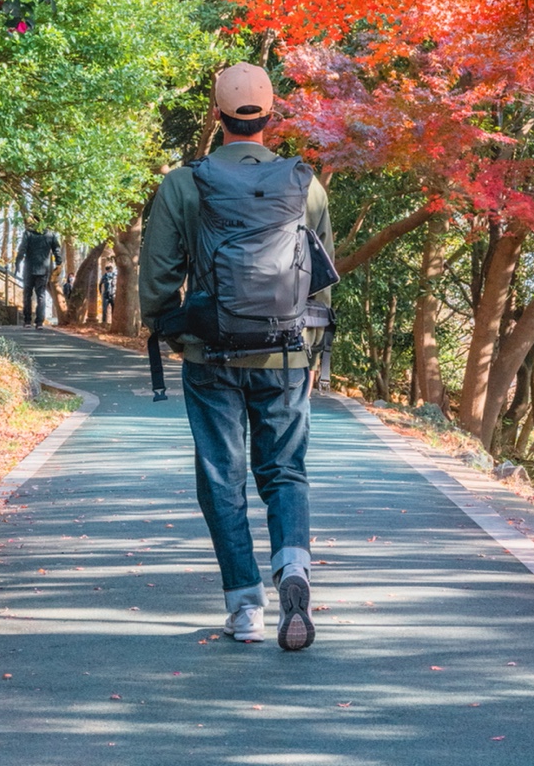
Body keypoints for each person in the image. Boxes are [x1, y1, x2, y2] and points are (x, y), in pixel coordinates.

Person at [139, 62, 334, 652]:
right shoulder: (305, 185)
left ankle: (245, 606)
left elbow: (158, 281)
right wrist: (309, 353)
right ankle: (293, 566)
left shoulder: (183, 184)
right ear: (271, 114)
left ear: (216, 113)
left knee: (222, 476)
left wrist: (177, 334)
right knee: (285, 470)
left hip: (211, 355)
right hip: (286, 355)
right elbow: (319, 283)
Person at [15, 224, 63, 329]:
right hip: (43, 269)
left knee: (27, 294)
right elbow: (57, 250)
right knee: (41, 295)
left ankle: (27, 321)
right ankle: (39, 322)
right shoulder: (50, 235)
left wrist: (17, 262)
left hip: (29, 268)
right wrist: (59, 263)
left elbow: (22, 249)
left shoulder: (28, 234)